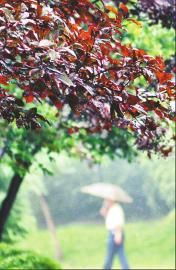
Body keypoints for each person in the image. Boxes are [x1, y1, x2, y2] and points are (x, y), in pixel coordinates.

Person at [100, 199, 130, 270]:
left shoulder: (116, 209)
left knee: (111, 256)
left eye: (107, 200)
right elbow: (105, 216)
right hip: (112, 232)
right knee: (118, 254)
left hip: (116, 233)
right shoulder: (111, 208)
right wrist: (105, 207)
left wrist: (118, 234)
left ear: (112, 200)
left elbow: (118, 222)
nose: (106, 201)